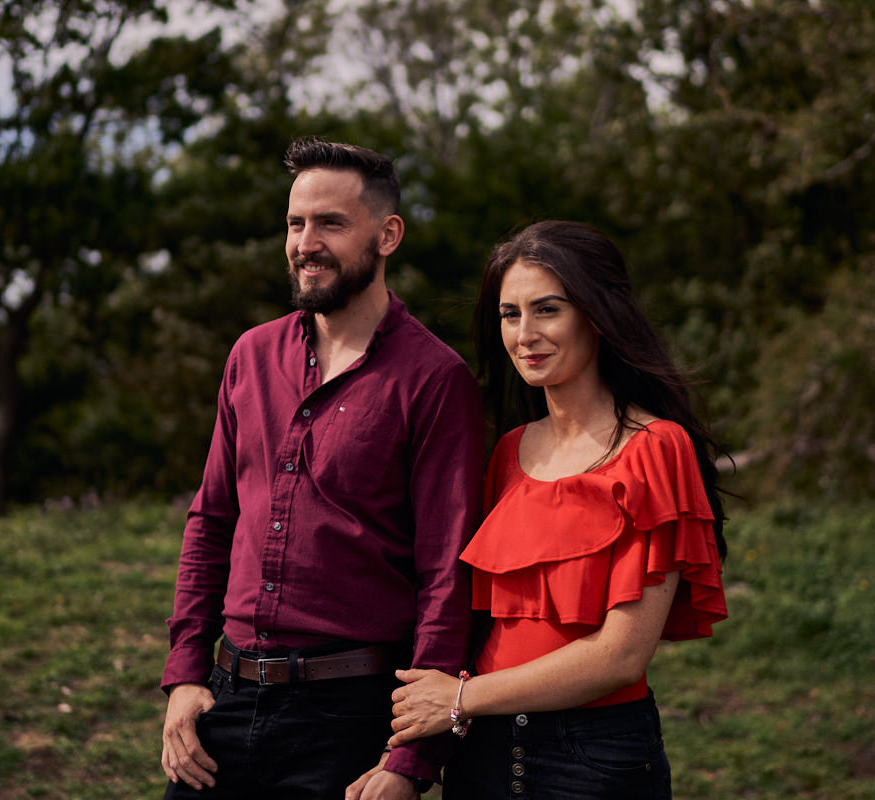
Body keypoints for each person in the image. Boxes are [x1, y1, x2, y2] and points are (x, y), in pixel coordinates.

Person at [159, 137, 484, 799]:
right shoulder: (250, 357)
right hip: (225, 702)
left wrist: (411, 761)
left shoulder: (435, 380)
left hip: (350, 718)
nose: (306, 242)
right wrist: (186, 675)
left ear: (387, 234)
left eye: (331, 223)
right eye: (295, 223)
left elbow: (448, 576)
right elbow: (212, 522)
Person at [375, 220, 729, 799]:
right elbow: (477, 621)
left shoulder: (655, 448)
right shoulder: (509, 451)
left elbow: (621, 655)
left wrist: (460, 698)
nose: (525, 335)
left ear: (594, 315)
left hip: (590, 754)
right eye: (510, 315)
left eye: (547, 310)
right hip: (482, 748)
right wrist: (408, 756)